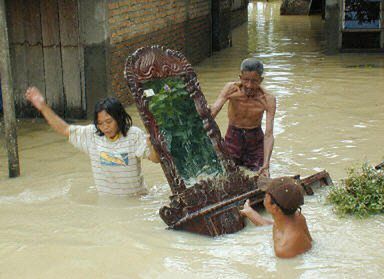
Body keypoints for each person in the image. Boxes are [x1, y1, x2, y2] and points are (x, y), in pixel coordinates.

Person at [25, 86, 160, 196]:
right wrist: (42, 106)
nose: (105, 127)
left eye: (109, 121)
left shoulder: (133, 135)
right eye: (100, 123)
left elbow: (155, 159)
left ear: (119, 118)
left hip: (135, 201)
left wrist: (151, 145)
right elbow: (64, 129)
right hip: (107, 202)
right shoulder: (92, 135)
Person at [210, 58, 276, 177]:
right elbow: (214, 111)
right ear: (240, 77)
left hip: (255, 141)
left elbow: (269, 134)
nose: (249, 85)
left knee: (260, 175)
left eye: (254, 81)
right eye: (246, 80)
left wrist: (266, 164)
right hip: (233, 137)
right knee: (227, 175)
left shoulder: (268, 99)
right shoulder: (231, 89)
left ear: (261, 80)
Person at [240, 177, 312, 258]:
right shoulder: (296, 216)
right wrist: (250, 212)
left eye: (266, 194)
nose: (264, 195)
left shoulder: (284, 249)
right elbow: (272, 225)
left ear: (274, 206)